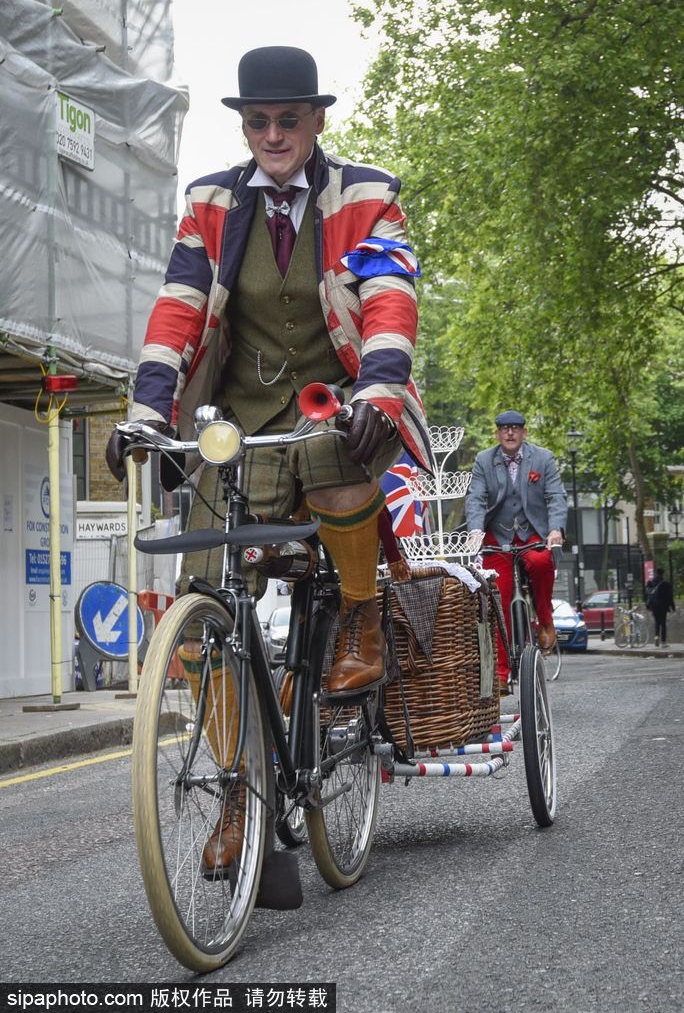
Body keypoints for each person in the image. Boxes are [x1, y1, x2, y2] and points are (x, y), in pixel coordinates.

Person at [106, 46, 432, 873]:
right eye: (259, 121)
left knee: (334, 450)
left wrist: (383, 389)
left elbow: (391, 300)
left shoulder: (367, 195)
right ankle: (238, 791)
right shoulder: (211, 202)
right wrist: (146, 410)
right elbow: (178, 309)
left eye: (290, 119)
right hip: (239, 419)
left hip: (341, 402)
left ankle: (360, 614)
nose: (274, 134)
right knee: (196, 611)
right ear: (244, 125)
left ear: (318, 119)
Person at [465, 409, 567, 693]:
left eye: (515, 428)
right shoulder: (484, 460)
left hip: (531, 533)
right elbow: (476, 497)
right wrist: (475, 530)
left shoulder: (543, 458)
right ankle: (500, 671)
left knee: (541, 561)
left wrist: (555, 529)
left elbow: (556, 497)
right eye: (504, 428)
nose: (510, 433)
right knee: (499, 594)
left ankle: (545, 621)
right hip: (498, 535)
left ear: (524, 432)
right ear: (497, 434)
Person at [645, 568, 675, 647]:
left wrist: (648, 605)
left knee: (657, 622)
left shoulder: (651, 582)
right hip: (663, 606)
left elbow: (647, 595)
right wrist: (672, 607)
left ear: (656, 573)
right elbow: (670, 597)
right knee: (663, 623)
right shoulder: (665, 583)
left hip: (653, 606)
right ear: (663, 574)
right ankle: (663, 642)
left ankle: (656, 637)